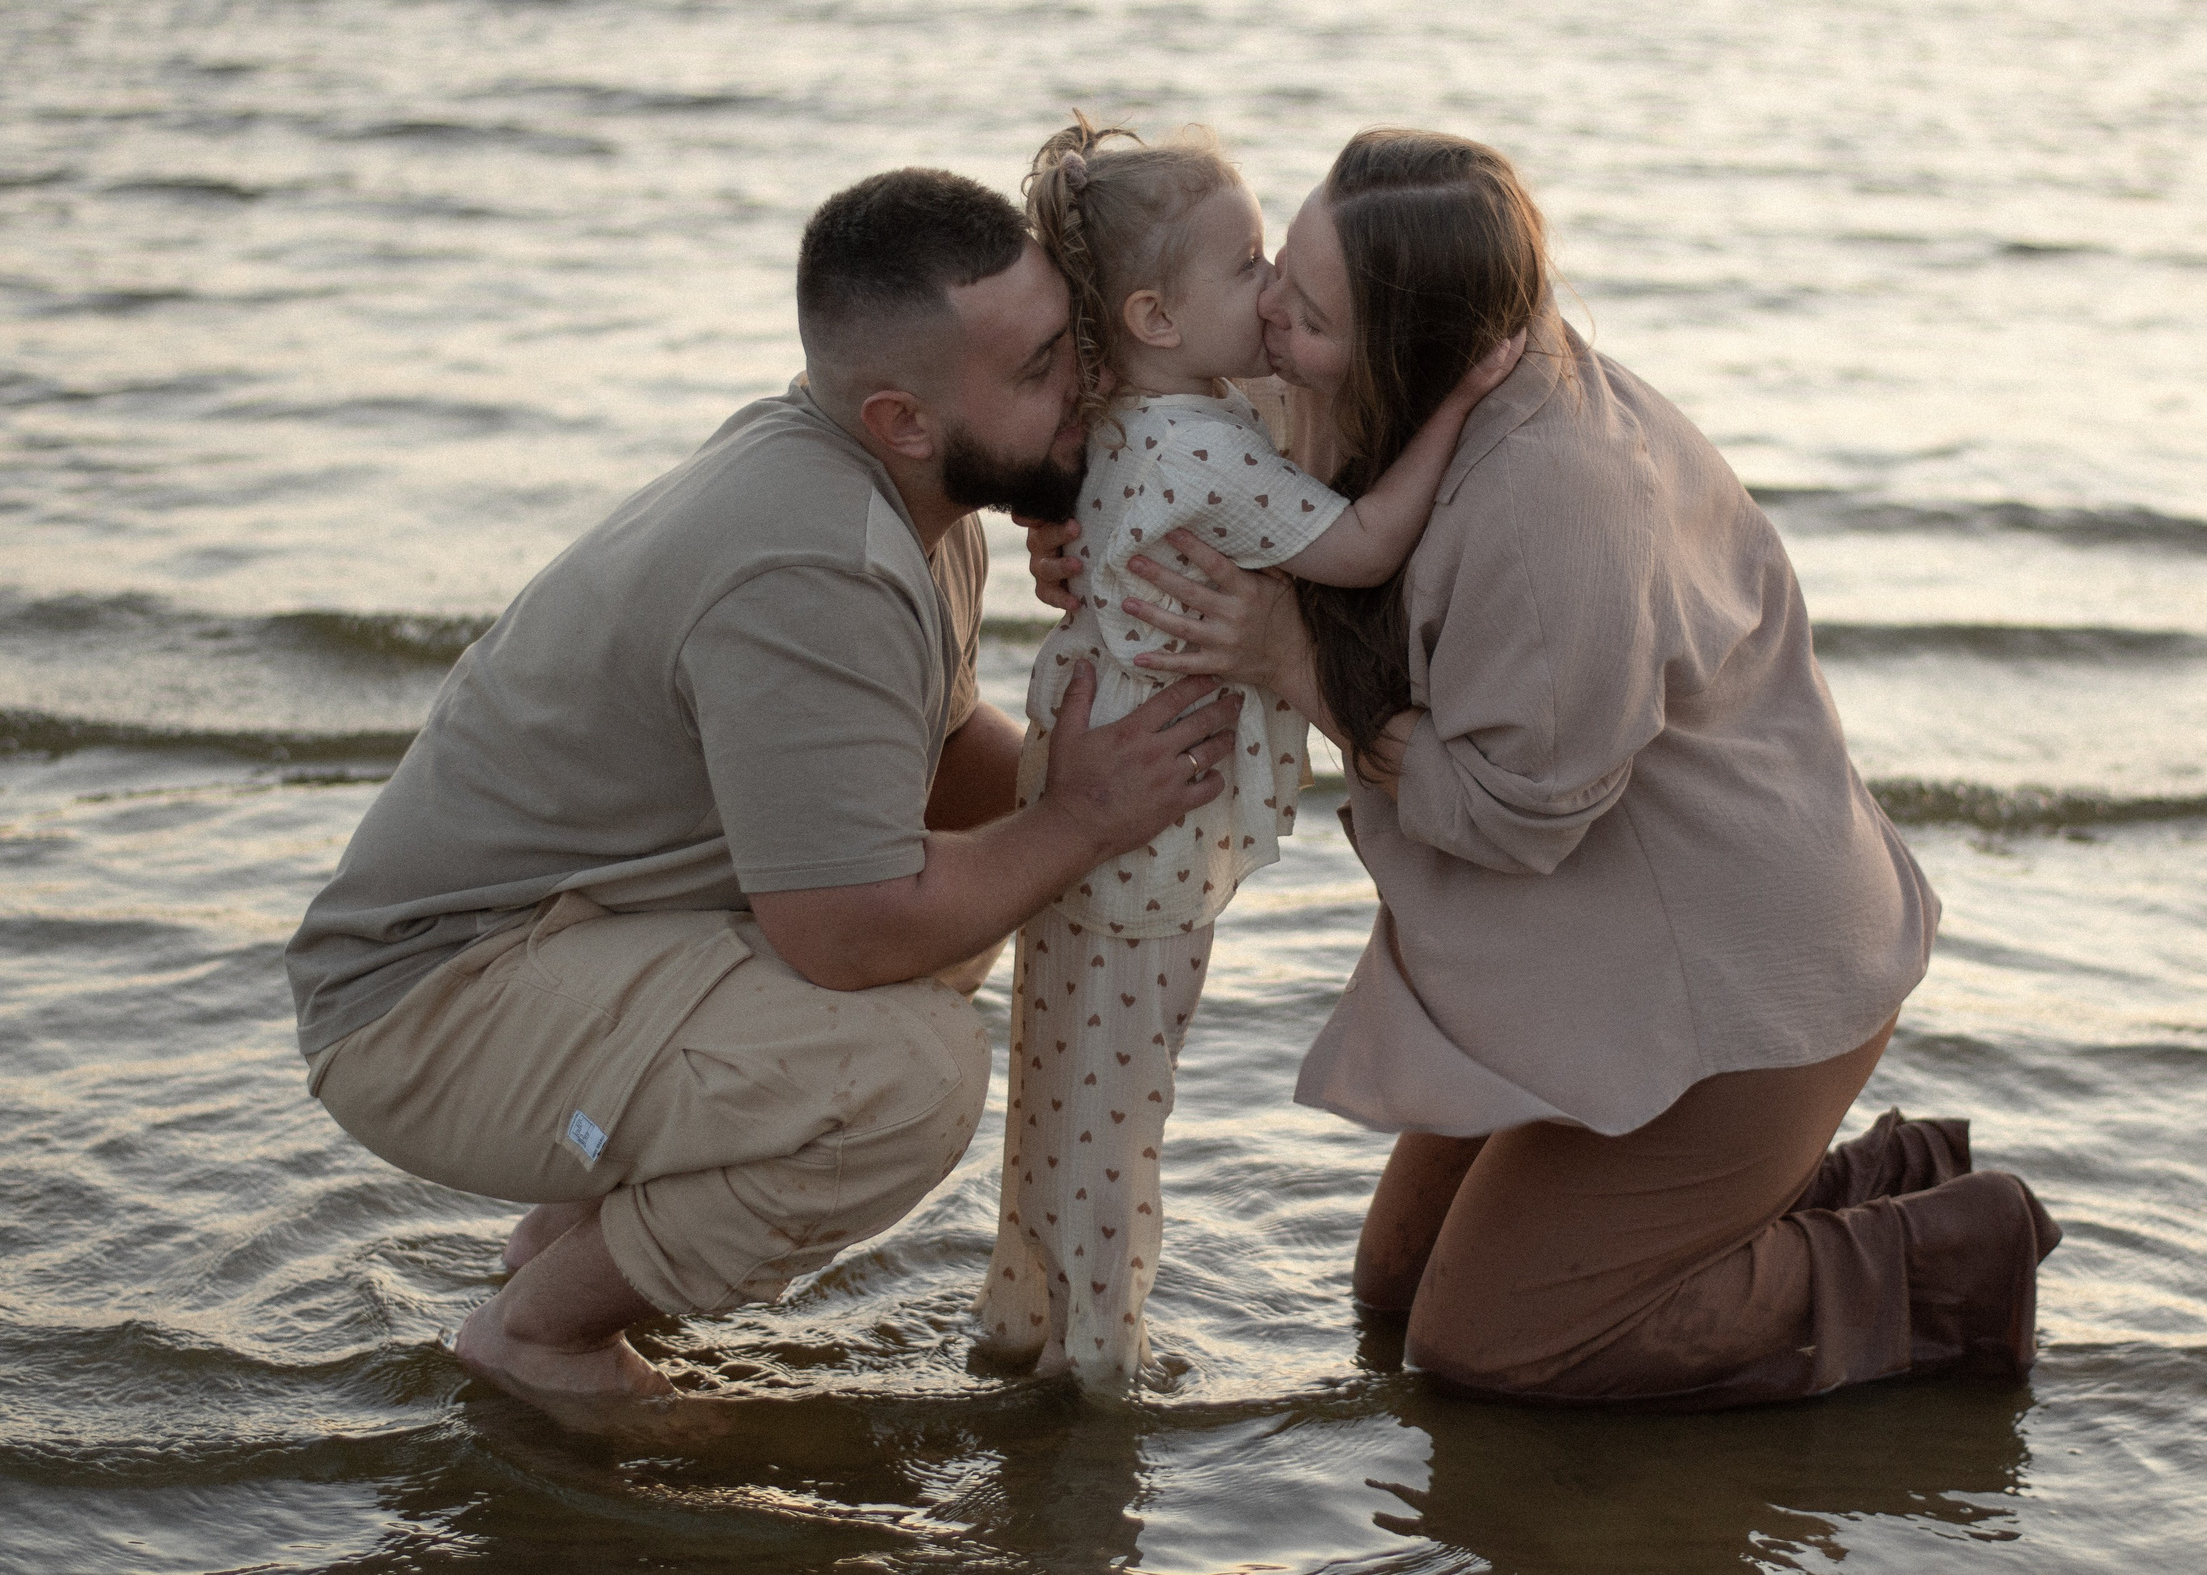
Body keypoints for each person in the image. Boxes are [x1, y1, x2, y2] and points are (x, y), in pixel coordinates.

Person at [1033, 129, 2061, 1407]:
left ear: (1419, 346)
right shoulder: (1386, 380)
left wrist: (1293, 664)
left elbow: (1513, 822)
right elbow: (1188, 441)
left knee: (1491, 1343)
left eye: (1309, 312)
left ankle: (1952, 1260)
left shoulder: (1555, 501)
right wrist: (1084, 537)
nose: (1272, 317)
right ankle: (1808, 1191)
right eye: (1277, 269)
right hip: (1589, 949)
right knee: (1396, 1289)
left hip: (1731, 982)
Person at [285, 168, 1244, 1428]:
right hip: (425, 1007)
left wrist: (1103, 765)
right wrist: (1079, 816)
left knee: (971, 901)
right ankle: (538, 1338)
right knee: (906, 1080)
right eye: (1036, 372)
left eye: (1070, 341)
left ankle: (562, 1239)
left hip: (555, 942)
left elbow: (936, 764)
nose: (1084, 386)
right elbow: (847, 931)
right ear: (903, 419)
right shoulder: (818, 565)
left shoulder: (899, 492)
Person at [976, 116, 1519, 1391]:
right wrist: (1458, 402)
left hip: (1074, 777)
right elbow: (1365, 546)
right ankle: (1099, 1367)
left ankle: (1025, 1325)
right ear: (1155, 316)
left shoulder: (1126, 412)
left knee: (1056, 1083)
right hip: (1148, 813)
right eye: (1250, 266)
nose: (1273, 288)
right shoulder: (1203, 447)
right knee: (1122, 1105)